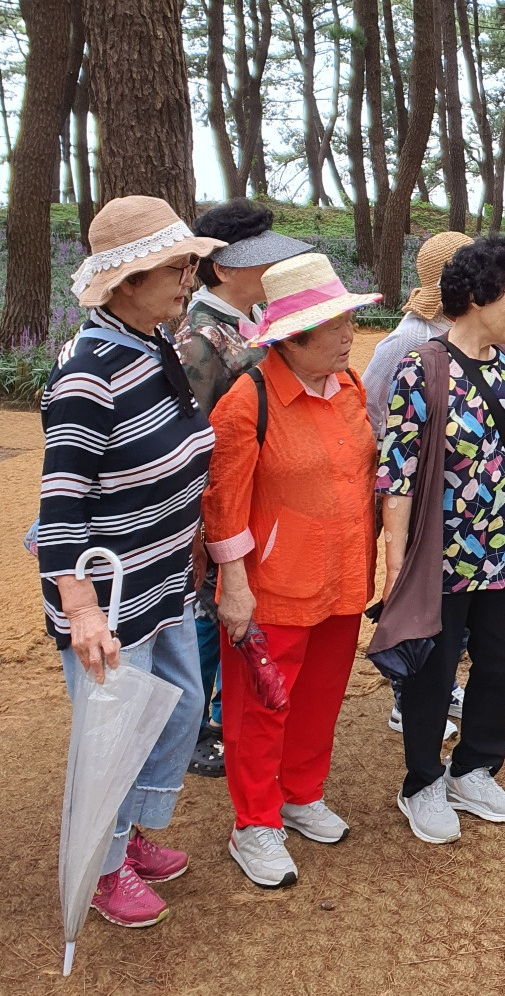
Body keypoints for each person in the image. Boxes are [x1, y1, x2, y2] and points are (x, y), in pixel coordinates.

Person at [36, 196, 225, 930]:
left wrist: (193, 545)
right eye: (174, 264)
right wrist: (80, 610)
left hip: (162, 573)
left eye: (187, 261)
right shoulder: (89, 372)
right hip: (108, 592)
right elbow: (59, 507)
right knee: (111, 730)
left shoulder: (154, 344)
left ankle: (131, 829)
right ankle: (103, 861)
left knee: (174, 708)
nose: (189, 274)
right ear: (127, 281)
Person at [202, 252, 379, 889]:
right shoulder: (246, 402)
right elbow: (222, 504)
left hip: (340, 578)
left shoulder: (349, 387)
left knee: (321, 693)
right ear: (295, 335)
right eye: (334, 324)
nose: (348, 333)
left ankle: (301, 793)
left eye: (345, 321)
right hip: (271, 588)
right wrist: (236, 587)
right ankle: (255, 822)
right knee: (260, 706)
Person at [373, 235, 505, 845]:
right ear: (475, 297)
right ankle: (421, 781)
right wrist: (395, 564)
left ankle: (474, 768)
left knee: (500, 664)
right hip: (440, 558)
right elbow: (396, 471)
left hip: (503, 549)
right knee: (434, 669)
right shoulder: (423, 365)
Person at [174, 201, 310, 778]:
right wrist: (206, 529)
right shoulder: (200, 340)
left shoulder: (246, 322)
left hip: (258, 505)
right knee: (212, 615)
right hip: (219, 510)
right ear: (223, 269)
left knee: (236, 611)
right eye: (258, 260)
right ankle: (202, 726)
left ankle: (228, 715)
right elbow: (195, 437)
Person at [361, 229, 474, 740]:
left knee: (448, 599)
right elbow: (367, 412)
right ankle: (406, 700)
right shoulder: (407, 341)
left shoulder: (459, 337)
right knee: (411, 596)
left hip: (447, 498)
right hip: (407, 493)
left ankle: (440, 683)